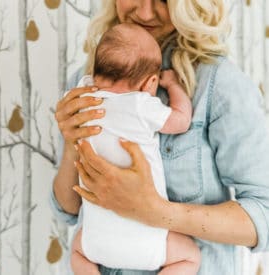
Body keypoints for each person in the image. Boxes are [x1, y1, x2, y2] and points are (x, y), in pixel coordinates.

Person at [51, 1, 269, 274]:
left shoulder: (218, 84)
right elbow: (67, 211)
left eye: (164, 0)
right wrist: (73, 145)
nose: (144, 12)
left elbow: (264, 213)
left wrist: (156, 211)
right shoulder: (85, 81)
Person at [69, 23, 200, 275]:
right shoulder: (141, 105)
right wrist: (173, 85)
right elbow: (181, 121)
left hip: (97, 240)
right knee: (189, 257)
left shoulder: (81, 99)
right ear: (150, 83)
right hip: (148, 237)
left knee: (76, 251)